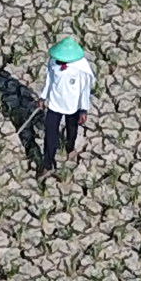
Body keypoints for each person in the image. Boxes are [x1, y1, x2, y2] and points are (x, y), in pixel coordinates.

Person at [34, 32, 93, 175]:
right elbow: (50, 80)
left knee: (71, 129)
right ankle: (48, 163)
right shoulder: (53, 61)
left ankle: (70, 147)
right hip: (55, 103)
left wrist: (84, 109)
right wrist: (43, 97)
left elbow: (85, 89)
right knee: (50, 133)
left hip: (73, 105)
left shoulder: (81, 67)